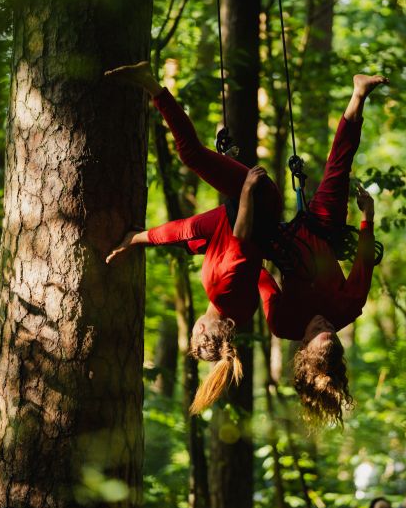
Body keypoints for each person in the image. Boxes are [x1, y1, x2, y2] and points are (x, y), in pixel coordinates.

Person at [104, 61, 282, 414]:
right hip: (253, 202)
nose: (192, 331)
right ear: (203, 330)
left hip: (239, 214)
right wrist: (246, 189)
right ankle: (151, 84)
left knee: (189, 241)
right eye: (195, 335)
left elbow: (197, 234)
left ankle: (153, 87)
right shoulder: (221, 288)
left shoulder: (239, 312)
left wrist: (136, 240)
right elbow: (244, 236)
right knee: (191, 154)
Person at [257, 73, 386, 424]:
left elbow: (260, 276)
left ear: (303, 346)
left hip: (281, 243)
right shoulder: (348, 306)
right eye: (330, 327)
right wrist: (367, 219)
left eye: (317, 330)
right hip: (321, 229)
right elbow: (362, 265)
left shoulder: (283, 323)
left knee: (253, 195)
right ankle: (358, 93)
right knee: (339, 168)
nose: (322, 321)